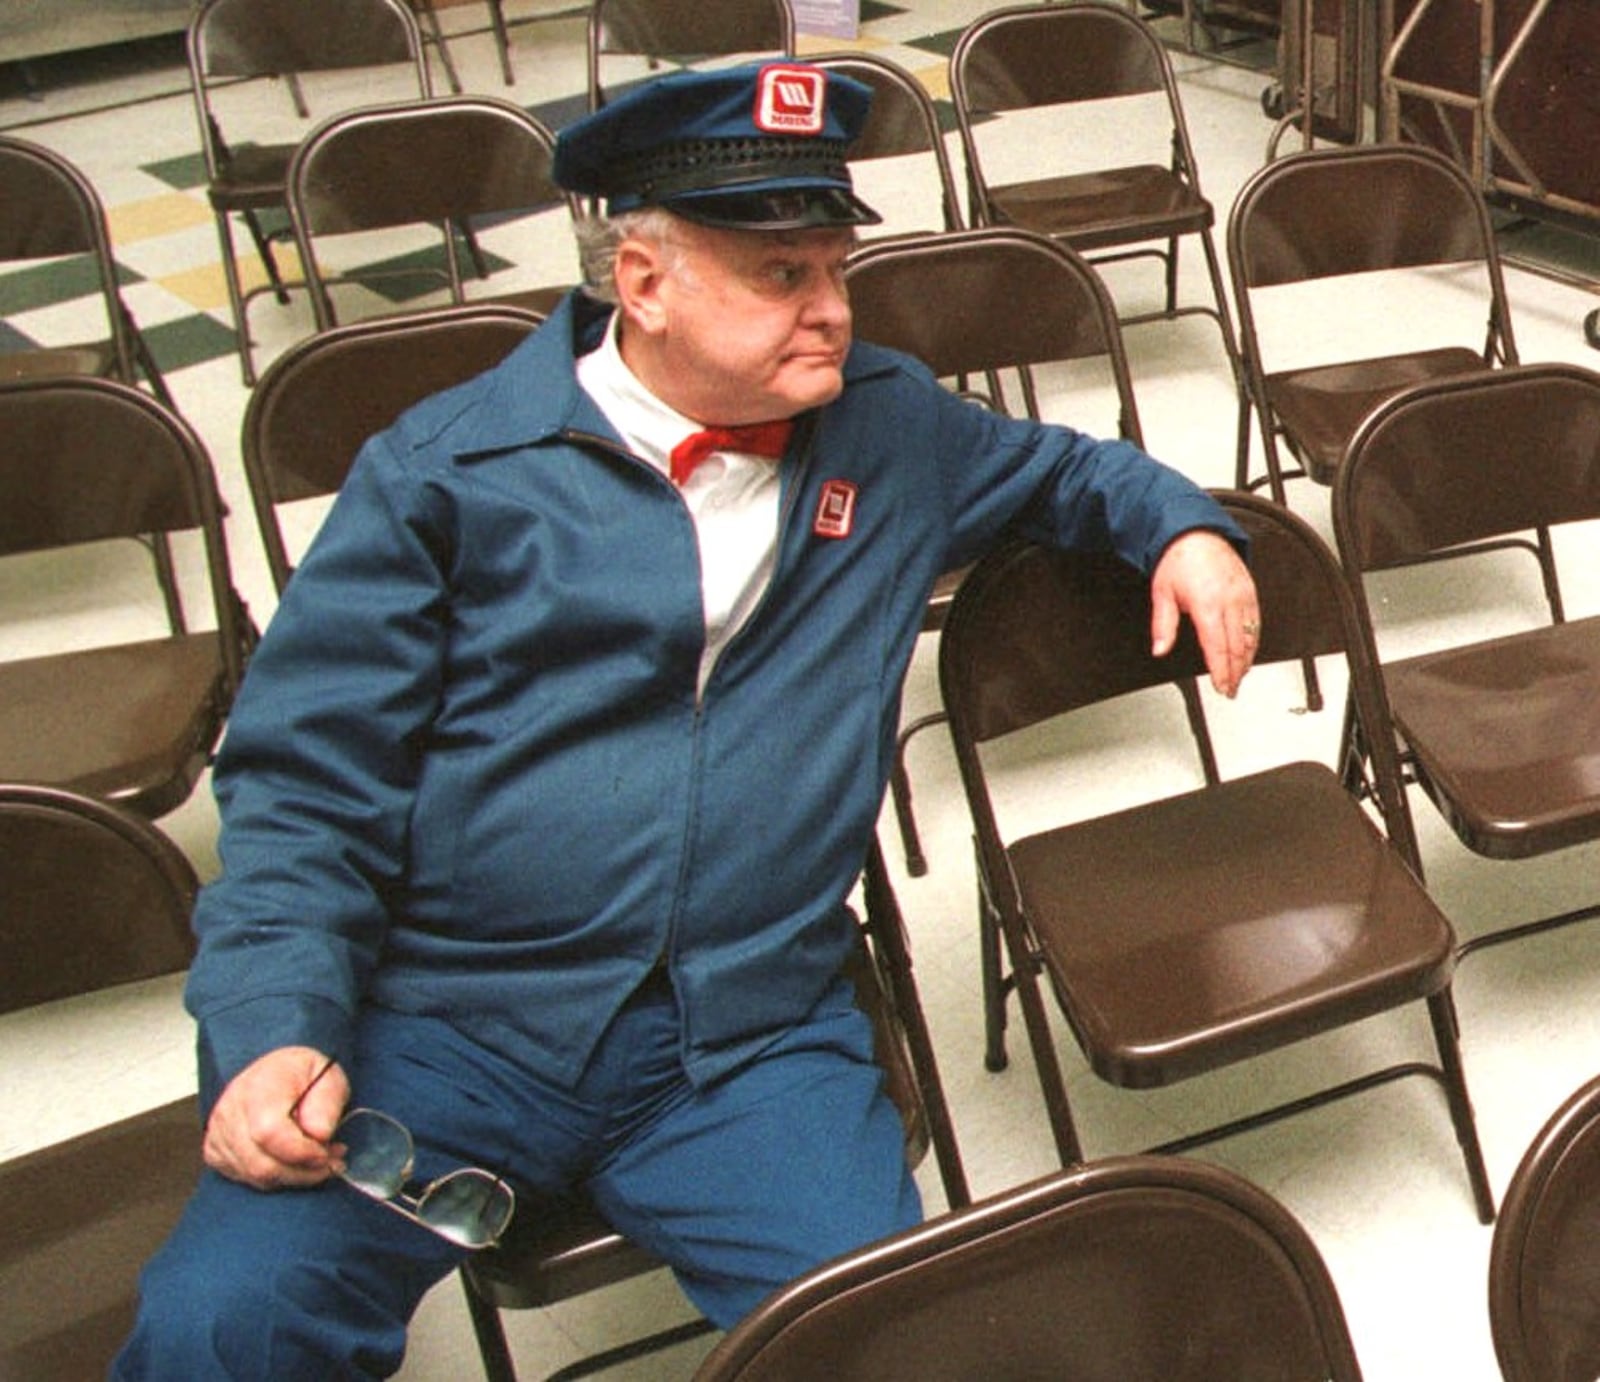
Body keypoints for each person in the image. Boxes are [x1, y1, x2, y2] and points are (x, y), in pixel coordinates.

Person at [115, 61, 1259, 1377]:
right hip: (452, 1020)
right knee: (222, 1326)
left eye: (837, 267)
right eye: (784, 276)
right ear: (643, 282)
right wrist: (272, 1029)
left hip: (748, 1030)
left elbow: (1077, 471)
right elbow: (304, 785)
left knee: (903, 1345)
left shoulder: (888, 428)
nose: (835, 311)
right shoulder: (451, 474)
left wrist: (1185, 529)